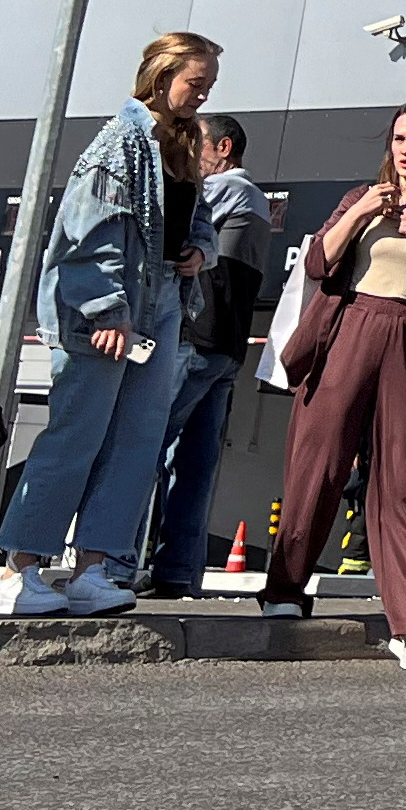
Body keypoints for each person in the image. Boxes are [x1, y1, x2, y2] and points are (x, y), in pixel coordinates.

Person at [0, 31, 217, 616]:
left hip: (162, 300)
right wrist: (105, 310)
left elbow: (198, 219)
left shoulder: (184, 143)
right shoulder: (118, 143)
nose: (201, 94)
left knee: (137, 442)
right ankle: (20, 569)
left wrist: (198, 250)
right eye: (196, 83)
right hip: (111, 309)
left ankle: (95, 568)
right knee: (78, 434)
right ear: (162, 76)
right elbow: (89, 232)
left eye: (207, 85)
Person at [262, 100, 406, 670]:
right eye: (400, 139)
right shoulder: (361, 198)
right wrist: (360, 210)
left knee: (404, 477)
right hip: (349, 330)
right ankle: (284, 590)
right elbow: (317, 264)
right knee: (318, 464)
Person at [140, 114, 273, 596]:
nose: (188, 157)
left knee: (145, 443)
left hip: (194, 339)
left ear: (223, 147)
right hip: (225, 347)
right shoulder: (254, 201)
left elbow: (168, 220)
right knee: (195, 462)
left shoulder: (229, 191)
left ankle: (116, 561)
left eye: (195, 147)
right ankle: (177, 570)